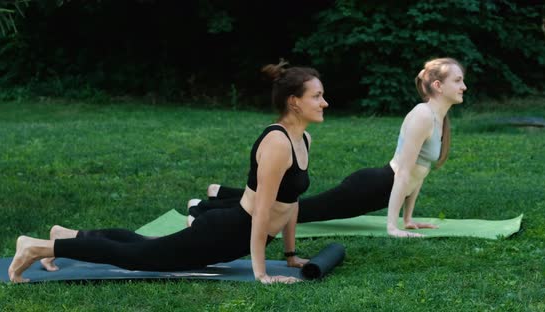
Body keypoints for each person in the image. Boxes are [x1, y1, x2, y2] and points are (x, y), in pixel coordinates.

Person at [7, 60, 329, 284]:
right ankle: (39, 247)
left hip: (233, 233)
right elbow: (262, 213)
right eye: (316, 96)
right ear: (294, 102)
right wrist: (261, 274)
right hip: (227, 231)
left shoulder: (303, 139)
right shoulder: (277, 143)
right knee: (137, 257)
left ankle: (67, 235)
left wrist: (289, 255)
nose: (324, 102)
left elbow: (291, 201)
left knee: (142, 244)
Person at [188, 57, 467, 238]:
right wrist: (392, 226)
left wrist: (408, 219)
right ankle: (203, 210)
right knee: (296, 211)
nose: (464, 86)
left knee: (297, 208)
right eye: (458, 80)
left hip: (380, 191)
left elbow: (419, 172)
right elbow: (404, 173)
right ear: (438, 86)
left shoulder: (439, 119)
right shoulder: (422, 115)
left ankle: (218, 195)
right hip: (371, 186)